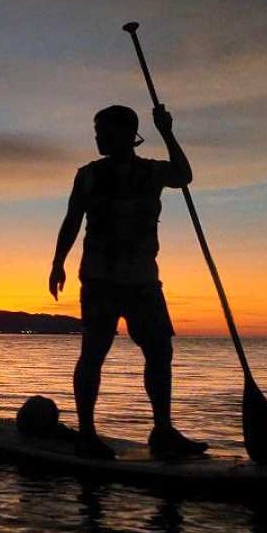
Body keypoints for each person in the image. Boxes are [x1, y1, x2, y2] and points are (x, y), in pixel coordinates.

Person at [48, 104, 208, 460]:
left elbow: (184, 175)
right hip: (100, 278)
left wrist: (167, 131)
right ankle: (87, 434)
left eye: (103, 131)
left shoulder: (151, 172)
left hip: (142, 280)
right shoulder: (88, 175)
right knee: (94, 351)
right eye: (96, 130)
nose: (97, 137)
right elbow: (72, 220)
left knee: (159, 351)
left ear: (125, 134)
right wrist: (57, 262)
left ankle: (162, 430)